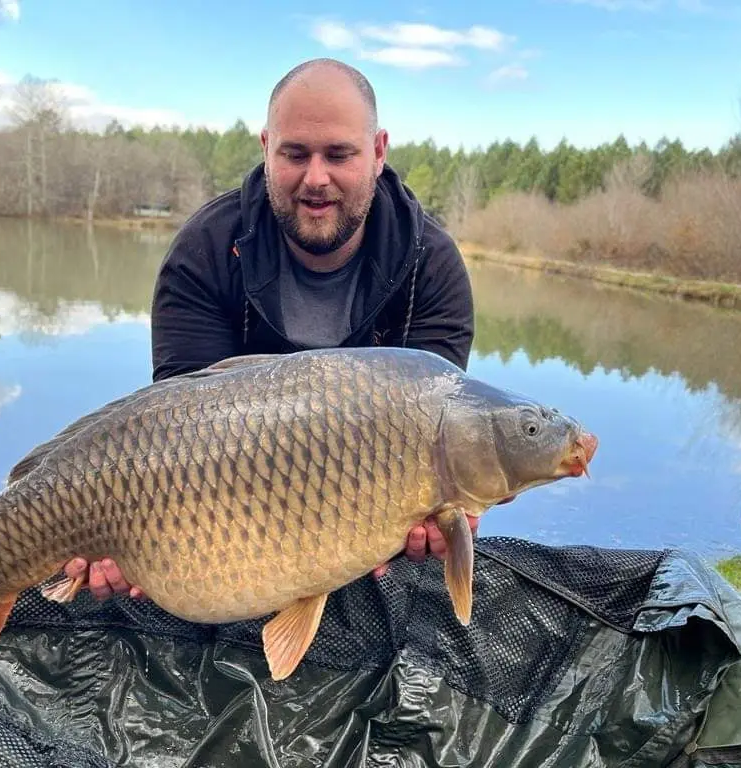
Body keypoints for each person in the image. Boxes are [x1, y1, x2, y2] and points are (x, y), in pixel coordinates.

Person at [67, 57, 484, 601]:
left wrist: (434, 520)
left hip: (360, 540)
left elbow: (430, 449)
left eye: (339, 154)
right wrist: (143, 543)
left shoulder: (432, 268)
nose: (316, 178)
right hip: (220, 533)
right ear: (267, 148)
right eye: (294, 154)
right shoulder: (204, 253)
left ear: (378, 152)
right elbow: (172, 439)